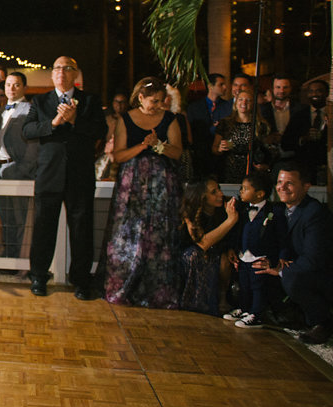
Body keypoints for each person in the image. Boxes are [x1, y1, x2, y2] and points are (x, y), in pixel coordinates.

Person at [23, 56, 107, 299]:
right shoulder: (41, 101)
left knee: (82, 229)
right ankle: (38, 276)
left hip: (80, 175)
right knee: (43, 228)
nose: (61, 72)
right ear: (52, 75)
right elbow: (28, 130)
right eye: (57, 68)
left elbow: (101, 130)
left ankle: (81, 280)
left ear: (75, 74)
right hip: (49, 174)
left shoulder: (90, 100)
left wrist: (75, 120)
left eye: (67, 68)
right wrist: (55, 122)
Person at [101, 77, 183, 309]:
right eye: (153, 101)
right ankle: (123, 287)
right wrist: (143, 146)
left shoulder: (170, 119)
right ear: (140, 98)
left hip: (161, 186)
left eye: (161, 100)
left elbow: (177, 153)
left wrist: (159, 145)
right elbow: (118, 155)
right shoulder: (126, 119)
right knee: (128, 233)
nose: (157, 104)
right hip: (133, 183)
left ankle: (158, 292)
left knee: (158, 235)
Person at [254, 163, 333, 344]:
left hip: (318, 274)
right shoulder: (278, 209)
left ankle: (322, 322)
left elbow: (314, 260)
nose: (282, 187)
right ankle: (287, 313)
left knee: (291, 276)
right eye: (279, 182)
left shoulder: (315, 213)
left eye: (289, 183)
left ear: (306, 186)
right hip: (292, 264)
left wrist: (280, 270)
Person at [223, 171, 286, 328]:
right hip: (244, 256)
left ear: (259, 194)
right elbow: (237, 232)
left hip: (261, 257)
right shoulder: (243, 211)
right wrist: (233, 248)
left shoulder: (273, 212)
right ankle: (245, 309)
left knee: (258, 286)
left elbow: (281, 237)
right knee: (244, 284)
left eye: (245, 188)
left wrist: (279, 257)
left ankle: (256, 313)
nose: (241, 191)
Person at [0, 72, 39, 258]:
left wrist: (23, 169)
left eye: (16, 85)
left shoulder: (29, 110)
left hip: (17, 169)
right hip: (0, 169)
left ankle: (20, 260)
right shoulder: (1, 110)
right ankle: (9, 256)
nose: (11, 88)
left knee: (20, 218)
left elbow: (34, 144)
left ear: (24, 88)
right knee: (6, 217)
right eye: (8, 85)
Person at [179, 179, 238, 316]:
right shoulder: (190, 213)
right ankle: (195, 302)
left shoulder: (224, 209)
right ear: (202, 197)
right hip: (191, 254)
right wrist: (230, 221)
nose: (220, 194)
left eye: (219, 189)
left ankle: (222, 299)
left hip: (217, 252)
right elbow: (202, 243)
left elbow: (231, 237)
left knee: (225, 259)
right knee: (195, 255)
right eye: (214, 192)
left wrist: (230, 248)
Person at [212, 90, 271, 183]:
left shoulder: (260, 125)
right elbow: (214, 149)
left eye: (248, 100)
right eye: (241, 99)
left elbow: (267, 148)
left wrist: (264, 165)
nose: (244, 102)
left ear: (253, 104)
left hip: (252, 171)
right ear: (235, 103)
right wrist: (220, 148)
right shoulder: (225, 123)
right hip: (228, 170)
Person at [283, 79, 329, 185]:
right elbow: (286, 143)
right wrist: (303, 138)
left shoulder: (331, 114)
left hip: (328, 167)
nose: (314, 94)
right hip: (304, 168)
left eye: (318, 91)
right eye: (311, 91)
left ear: (326, 93)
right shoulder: (299, 115)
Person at [186, 73, 227, 178]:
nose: (225, 87)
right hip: (201, 157)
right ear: (210, 86)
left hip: (222, 158)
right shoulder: (194, 107)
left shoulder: (227, 106)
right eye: (221, 84)